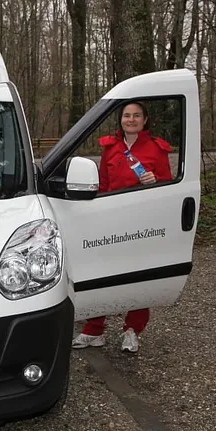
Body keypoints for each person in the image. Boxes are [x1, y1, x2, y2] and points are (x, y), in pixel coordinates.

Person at [72, 101, 173, 353]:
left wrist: (156, 181)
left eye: (137, 115)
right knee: (101, 274)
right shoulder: (110, 148)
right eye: (127, 115)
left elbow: (169, 187)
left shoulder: (157, 149)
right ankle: (94, 330)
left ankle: (132, 330)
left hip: (142, 223)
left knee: (139, 276)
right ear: (121, 119)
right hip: (111, 220)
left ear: (145, 120)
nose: (131, 119)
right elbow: (103, 185)